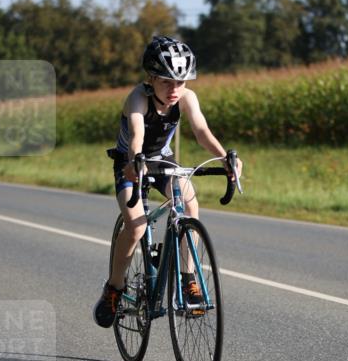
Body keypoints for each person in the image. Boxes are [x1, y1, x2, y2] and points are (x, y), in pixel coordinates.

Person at [93, 35, 242, 328]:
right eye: (166, 82)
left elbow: (201, 131)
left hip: (162, 160)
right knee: (136, 226)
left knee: (189, 203)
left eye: (181, 82)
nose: (175, 89)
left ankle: (188, 280)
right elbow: (136, 135)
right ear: (150, 78)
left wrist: (225, 158)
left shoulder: (186, 98)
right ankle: (114, 287)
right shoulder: (137, 98)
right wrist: (135, 163)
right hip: (130, 163)